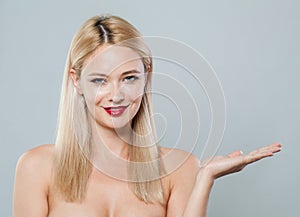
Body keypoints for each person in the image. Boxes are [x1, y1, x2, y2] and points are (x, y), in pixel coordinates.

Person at [13, 15, 281, 217]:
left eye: (129, 78)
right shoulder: (37, 167)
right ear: (76, 81)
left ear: (146, 75)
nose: (115, 95)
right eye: (99, 81)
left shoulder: (181, 167)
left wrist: (205, 178)